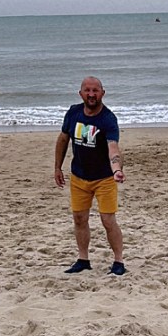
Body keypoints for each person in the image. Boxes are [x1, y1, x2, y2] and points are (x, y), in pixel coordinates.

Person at [54, 76, 126, 276]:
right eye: (87, 90)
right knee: (79, 218)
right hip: (79, 176)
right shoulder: (73, 113)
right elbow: (63, 139)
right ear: (81, 93)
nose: (91, 94)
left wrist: (117, 170)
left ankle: (118, 261)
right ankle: (83, 259)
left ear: (103, 93)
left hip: (104, 178)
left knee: (108, 220)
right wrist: (57, 167)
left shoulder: (108, 119)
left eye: (95, 91)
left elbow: (113, 147)